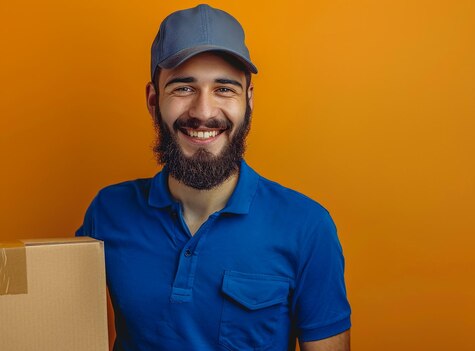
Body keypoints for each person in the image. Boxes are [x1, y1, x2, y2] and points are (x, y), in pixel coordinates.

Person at [76, 4, 351, 351]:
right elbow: (68, 327)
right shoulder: (107, 212)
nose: (203, 112)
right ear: (152, 99)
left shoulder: (307, 226)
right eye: (183, 88)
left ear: (248, 101)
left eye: (224, 89)